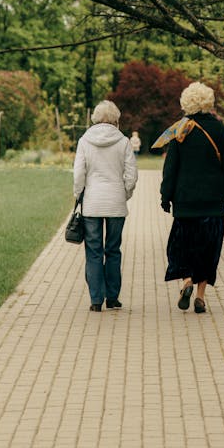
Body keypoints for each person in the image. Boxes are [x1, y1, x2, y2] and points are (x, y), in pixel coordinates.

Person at [160, 81, 224, 315]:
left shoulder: (179, 129)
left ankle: (186, 281)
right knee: (207, 249)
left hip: (185, 202)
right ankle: (201, 297)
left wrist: (166, 197)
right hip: (213, 202)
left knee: (182, 246)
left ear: (186, 102)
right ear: (208, 102)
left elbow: (170, 168)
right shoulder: (218, 129)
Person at [73, 100, 138, 312]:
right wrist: (125, 193)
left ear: (95, 118)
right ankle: (112, 297)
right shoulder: (123, 142)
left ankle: (95, 300)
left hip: (92, 202)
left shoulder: (85, 141)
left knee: (93, 251)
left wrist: (78, 195)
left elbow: (79, 174)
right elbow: (131, 175)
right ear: (116, 120)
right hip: (116, 202)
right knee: (113, 250)